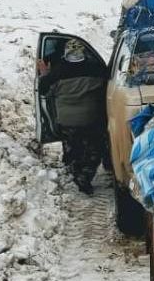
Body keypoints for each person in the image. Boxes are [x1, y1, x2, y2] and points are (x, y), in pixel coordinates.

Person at [38, 39, 108, 195]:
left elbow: (44, 91)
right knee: (94, 149)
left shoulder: (57, 72)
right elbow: (107, 85)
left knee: (73, 148)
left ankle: (75, 171)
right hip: (90, 118)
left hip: (66, 121)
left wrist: (44, 74)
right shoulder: (94, 70)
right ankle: (85, 175)